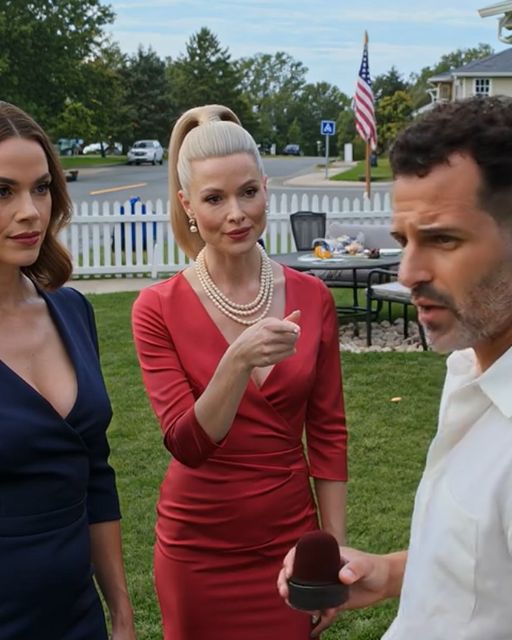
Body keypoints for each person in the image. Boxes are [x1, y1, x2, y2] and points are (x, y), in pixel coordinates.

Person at [278, 95, 512, 639]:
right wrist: (390, 574)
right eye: (404, 241)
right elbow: (484, 564)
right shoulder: (473, 371)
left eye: (443, 239)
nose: (407, 273)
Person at [131, 104, 348, 640]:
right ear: (187, 204)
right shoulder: (157, 308)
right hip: (197, 550)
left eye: (248, 192)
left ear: (266, 189)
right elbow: (187, 443)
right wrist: (238, 359)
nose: (237, 213)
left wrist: (333, 555)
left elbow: (328, 434)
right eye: (214, 198)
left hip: (288, 542)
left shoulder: (312, 297)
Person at [0, 101, 136, 639]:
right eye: (3, 192)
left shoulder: (72, 310)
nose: (31, 212)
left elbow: (95, 472)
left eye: (41, 188)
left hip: (79, 617)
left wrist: (120, 612)